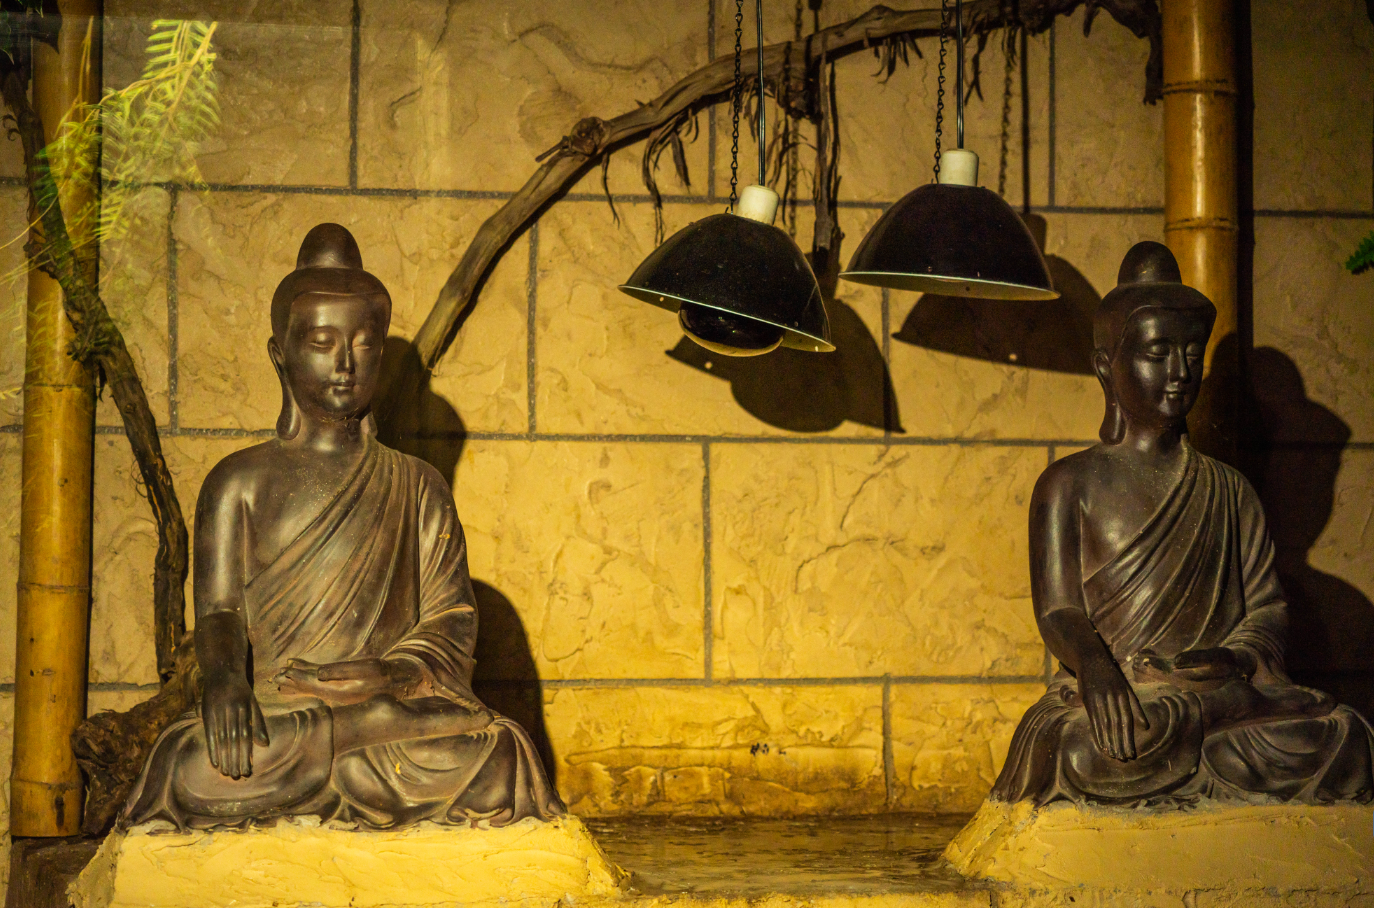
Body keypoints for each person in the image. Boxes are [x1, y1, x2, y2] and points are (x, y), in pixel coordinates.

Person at [121, 224, 565, 830]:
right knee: (189, 764)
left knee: (499, 756)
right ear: (281, 354)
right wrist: (225, 682)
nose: (346, 363)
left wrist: (389, 674)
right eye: (324, 342)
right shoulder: (237, 482)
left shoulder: (417, 487)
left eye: (365, 344)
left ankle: (359, 736)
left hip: (392, 716)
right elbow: (220, 613)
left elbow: (450, 625)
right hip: (283, 717)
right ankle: (353, 741)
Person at [992, 241, 1374, 806]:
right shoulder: (1068, 484)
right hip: (1129, 695)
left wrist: (1236, 658)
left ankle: (1211, 743)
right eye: (1158, 352)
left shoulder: (1228, 489)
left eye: (1192, 352)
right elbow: (1058, 609)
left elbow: (1266, 610)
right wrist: (1096, 669)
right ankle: (1203, 747)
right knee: (1075, 750)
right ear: (1106, 366)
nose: (1180, 371)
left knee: (1345, 737)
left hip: (1218, 696)